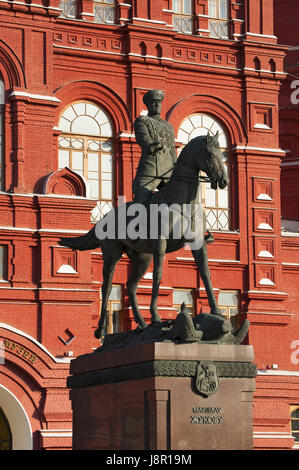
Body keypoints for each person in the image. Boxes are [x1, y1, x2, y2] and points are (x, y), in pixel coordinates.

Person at [132, 89, 177, 204]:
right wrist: (150, 145)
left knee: (180, 201)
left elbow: (172, 149)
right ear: (148, 105)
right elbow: (143, 137)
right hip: (150, 170)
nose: (157, 105)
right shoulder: (142, 121)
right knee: (140, 203)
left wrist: (176, 165)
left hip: (168, 172)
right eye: (153, 102)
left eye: (159, 102)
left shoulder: (168, 126)